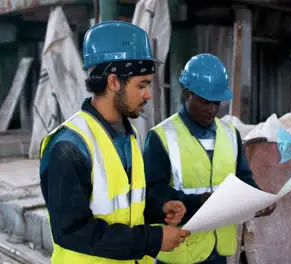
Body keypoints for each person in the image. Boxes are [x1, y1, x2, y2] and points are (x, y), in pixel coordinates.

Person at [39, 21, 190, 264]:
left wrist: (159, 207)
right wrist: (152, 239)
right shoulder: (69, 146)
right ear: (113, 82)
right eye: (142, 85)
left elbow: (125, 202)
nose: (148, 94)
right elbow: (72, 231)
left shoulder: (130, 136)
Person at [143, 53, 276, 264]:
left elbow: (243, 178)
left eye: (217, 103)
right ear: (187, 94)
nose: (212, 110)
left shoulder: (231, 134)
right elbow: (152, 193)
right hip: (180, 253)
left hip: (218, 251)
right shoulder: (161, 137)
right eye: (205, 102)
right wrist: (198, 202)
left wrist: (257, 200)